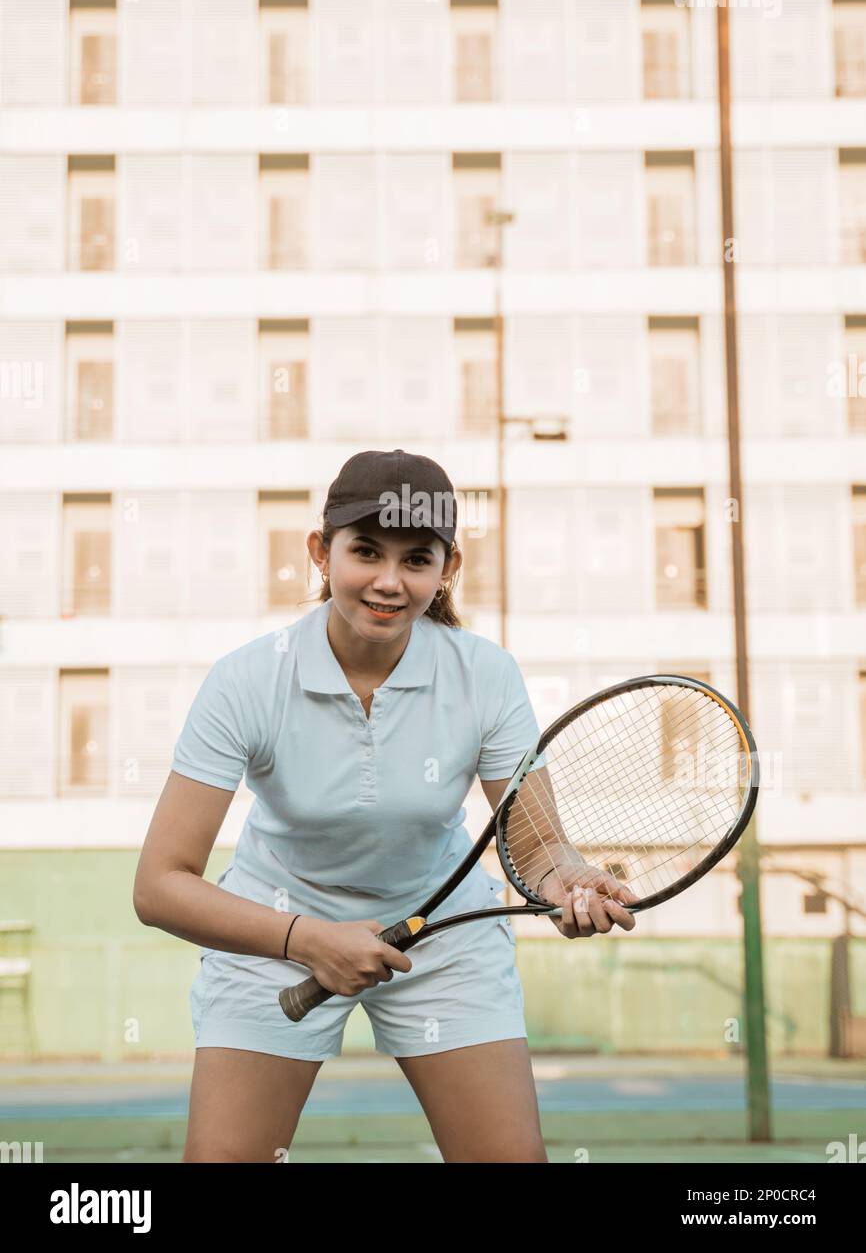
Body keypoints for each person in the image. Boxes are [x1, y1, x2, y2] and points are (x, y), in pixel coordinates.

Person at [133, 448, 637, 1163]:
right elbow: (159, 886)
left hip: (441, 927)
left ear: (448, 569)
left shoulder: (485, 675)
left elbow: (538, 847)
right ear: (321, 551)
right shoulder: (246, 680)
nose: (389, 581)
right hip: (277, 922)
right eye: (366, 551)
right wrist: (306, 939)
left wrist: (569, 882)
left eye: (416, 559)